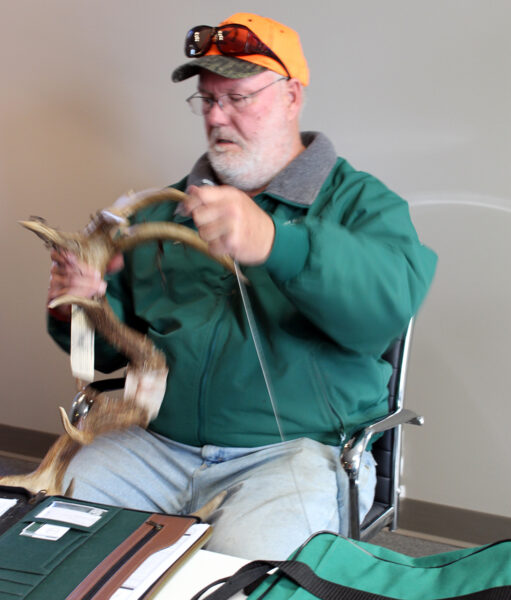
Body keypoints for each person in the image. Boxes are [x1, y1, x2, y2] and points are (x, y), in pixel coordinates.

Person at [47, 13, 437, 559]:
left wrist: (277, 242)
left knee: (238, 575)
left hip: (294, 456)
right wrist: (81, 310)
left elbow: (384, 309)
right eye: (207, 100)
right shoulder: (164, 210)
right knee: (49, 536)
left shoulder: (362, 204)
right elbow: (105, 358)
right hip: (155, 446)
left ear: (292, 96)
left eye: (237, 97)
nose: (217, 116)